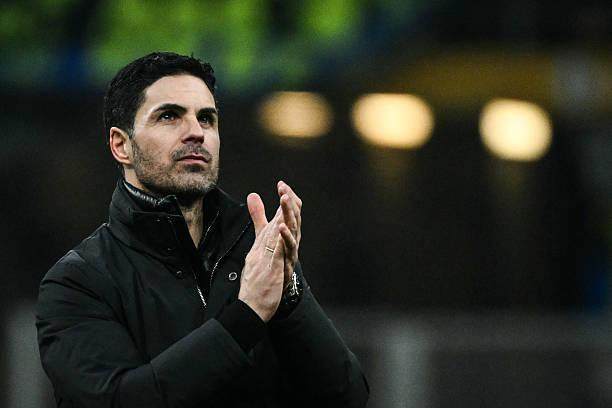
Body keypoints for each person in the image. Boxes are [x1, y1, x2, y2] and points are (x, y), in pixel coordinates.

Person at [35, 52, 369, 408]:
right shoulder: (77, 283)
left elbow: (346, 396)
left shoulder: (255, 251)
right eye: (169, 116)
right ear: (122, 145)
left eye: (206, 119)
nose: (196, 132)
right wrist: (247, 314)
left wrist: (289, 294)